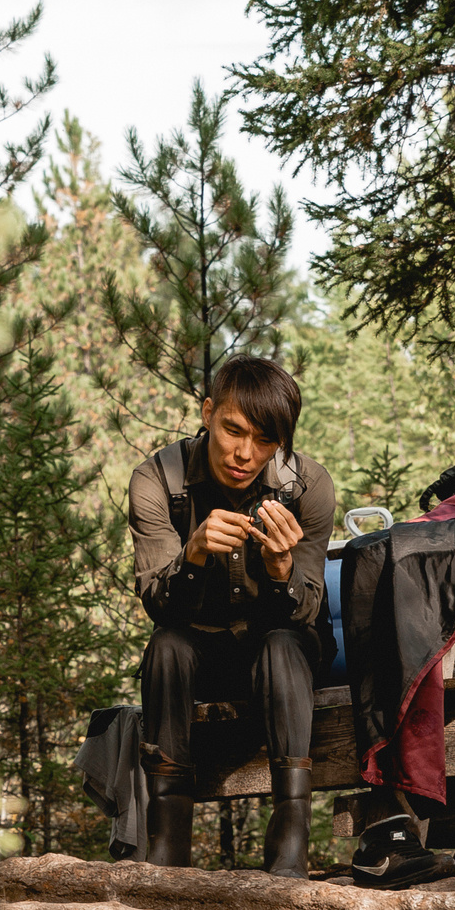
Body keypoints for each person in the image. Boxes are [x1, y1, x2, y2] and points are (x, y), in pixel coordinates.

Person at [129, 355, 335, 874]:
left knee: (284, 643)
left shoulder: (307, 486)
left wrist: (283, 568)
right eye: (233, 431)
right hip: (200, 656)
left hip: (280, 658)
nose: (245, 454)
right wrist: (194, 555)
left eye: (265, 441)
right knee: (167, 648)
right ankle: (167, 847)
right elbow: (157, 603)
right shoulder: (158, 479)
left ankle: (291, 845)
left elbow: (309, 608)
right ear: (207, 413)